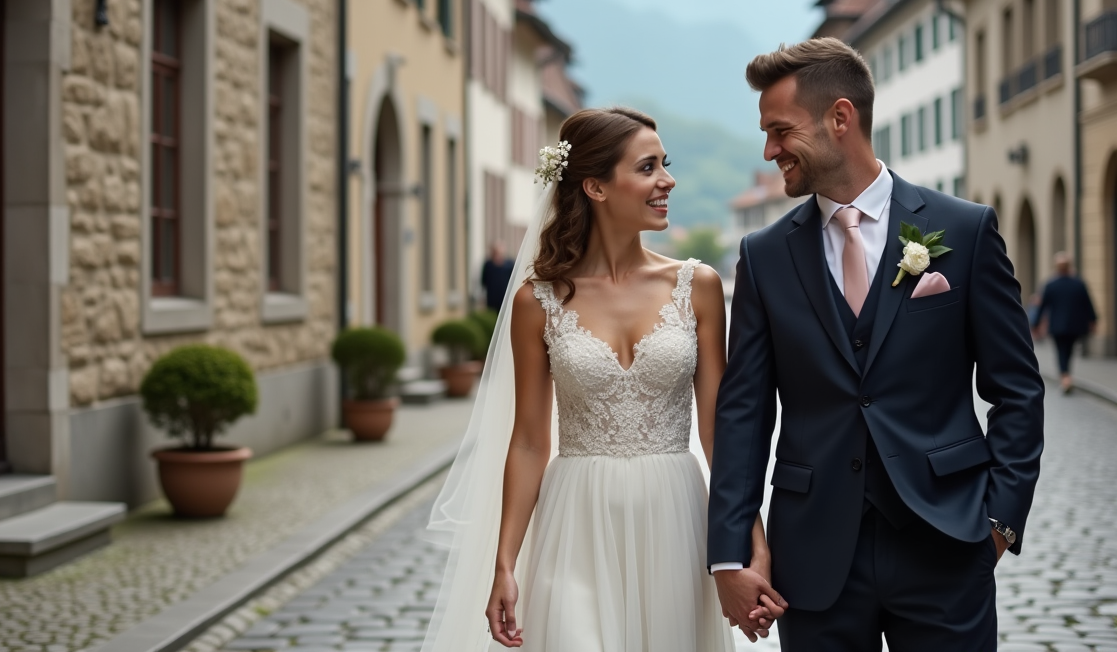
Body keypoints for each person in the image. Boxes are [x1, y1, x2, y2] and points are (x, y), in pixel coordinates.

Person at [708, 38, 1045, 651]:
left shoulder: (963, 232)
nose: (769, 150)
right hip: (812, 558)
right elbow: (743, 413)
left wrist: (999, 521)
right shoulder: (764, 257)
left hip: (947, 541)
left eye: (781, 130)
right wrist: (730, 550)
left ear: (841, 117)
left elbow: (1016, 389)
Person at [421, 107, 781, 652]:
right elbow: (528, 440)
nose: (668, 180)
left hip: (676, 517)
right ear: (595, 186)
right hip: (576, 521)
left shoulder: (698, 286)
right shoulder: (536, 302)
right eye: (648, 167)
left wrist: (750, 541)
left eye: (666, 164)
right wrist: (504, 563)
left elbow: (717, 432)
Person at [1033, 252, 1097, 394]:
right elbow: (1088, 304)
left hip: (1057, 325)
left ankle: (1065, 377)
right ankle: (1066, 375)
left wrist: (1035, 324)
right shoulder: (1078, 283)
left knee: (1061, 351)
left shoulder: (1051, 284)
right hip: (1075, 325)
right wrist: (1093, 320)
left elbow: (1042, 306)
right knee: (1069, 350)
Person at [481, 241, 515, 312]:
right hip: (492, 299)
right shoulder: (488, 265)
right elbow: (484, 281)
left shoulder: (509, 265)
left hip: (506, 298)